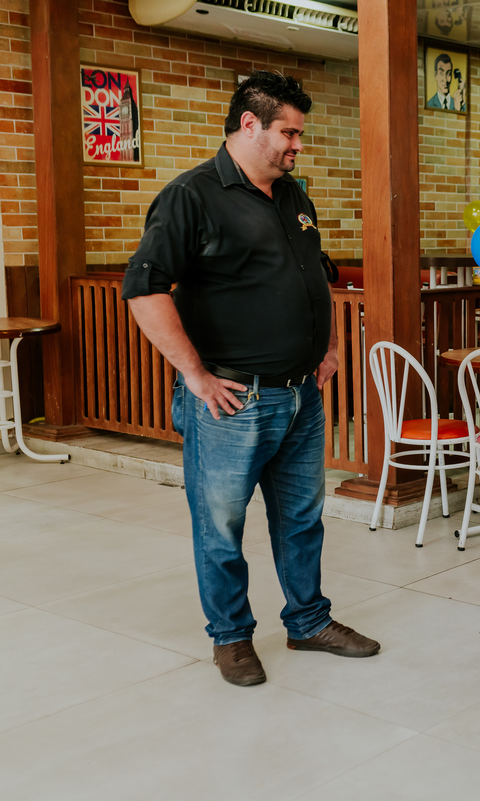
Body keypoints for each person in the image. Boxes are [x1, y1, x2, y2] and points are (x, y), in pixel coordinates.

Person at [121, 71, 380, 687]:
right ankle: (232, 637)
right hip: (232, 403)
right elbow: (144, 288)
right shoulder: (192, 196)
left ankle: (308, 621)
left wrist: (332, 344)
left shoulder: (294, 195)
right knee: (221, 527)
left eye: (299, 134)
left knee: (300, 519)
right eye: (288, 132)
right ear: (249, 125)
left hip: (301, 397)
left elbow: (317, 275)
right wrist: (196, 376)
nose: (297, 145)